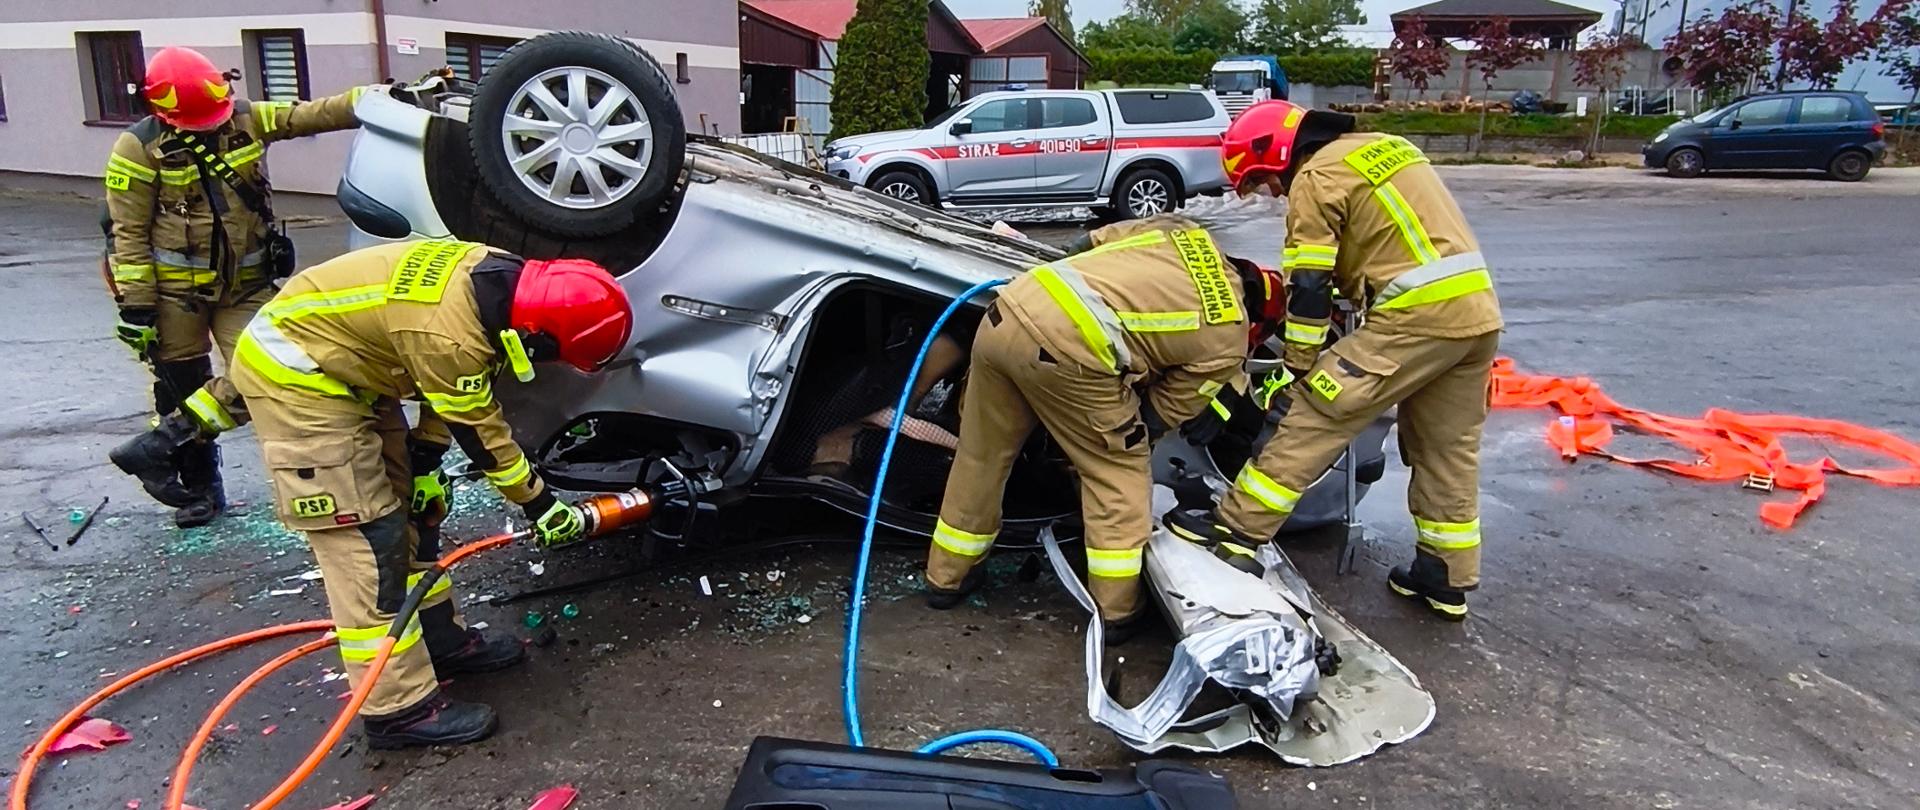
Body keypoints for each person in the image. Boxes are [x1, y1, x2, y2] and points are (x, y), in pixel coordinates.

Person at [110, 240, 634, 748]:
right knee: (367, 542)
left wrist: (426, 462)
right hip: (306, 381)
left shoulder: (498, 285)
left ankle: (439, 641)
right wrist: (540, 504)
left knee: (415, 514)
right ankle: (397, 709)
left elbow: (452, 386)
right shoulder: (452, 332)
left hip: (350, 364)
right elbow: (479, 427)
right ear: (536, 333)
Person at [1166, 100, 1503, 621]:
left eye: (1266, 181)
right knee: (1446, 449)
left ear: (1275, 153)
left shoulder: (1316, 176)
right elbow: (1391, 241)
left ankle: (1236, 532)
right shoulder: (1388, 149)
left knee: (1315, 413)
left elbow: (1308, 282)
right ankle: (1445, 577)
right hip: (1475, 316)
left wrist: (1299, 365)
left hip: (1414, 318)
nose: (1274, 194)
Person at [925, 216, 1285, 635]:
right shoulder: (1230, 334)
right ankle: (1118, 611)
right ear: (1259, 317)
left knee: (980, 457)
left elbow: (1085, 243)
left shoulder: (1183, 234)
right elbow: (1158, 414)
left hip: (1011, 308)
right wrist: (1110, 436)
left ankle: (946, 577)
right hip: (1072, 348)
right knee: (1118, 474)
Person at [104, 45, 369, 527]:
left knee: (268, 370)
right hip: (174, 297)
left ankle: (158, 449)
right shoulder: (136, 149)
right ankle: (199, 490)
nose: (209, 126)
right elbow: (128, 233)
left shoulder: (247, 119)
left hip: (246, 287)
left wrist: (374, 100)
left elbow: (310, 114)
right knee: (181, 390)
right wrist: (137, 309)